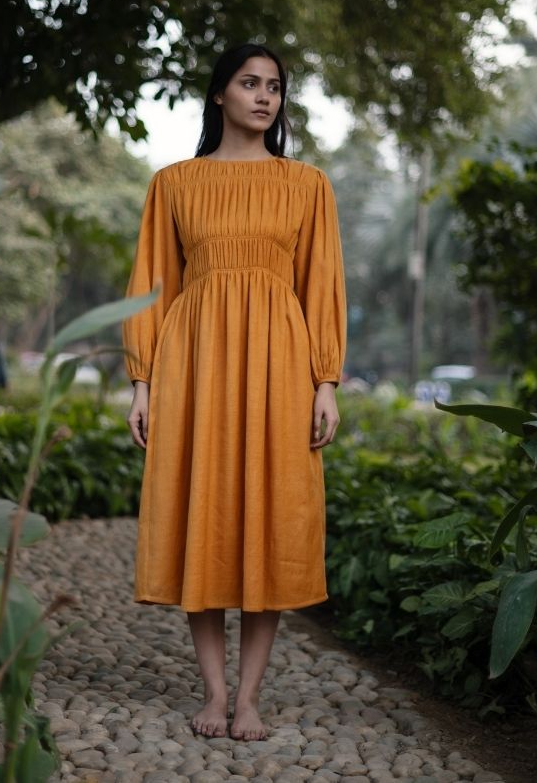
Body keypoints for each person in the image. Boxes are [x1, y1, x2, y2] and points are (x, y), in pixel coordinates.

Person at [123, 43, 347, 742]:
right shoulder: (174, 183)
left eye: (275, 87)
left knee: (271, 518)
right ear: (219, 93)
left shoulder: (307, 184)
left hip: (280, 366)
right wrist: (141, 383)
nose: (264, 97)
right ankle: (213, 694)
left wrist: (326, 382)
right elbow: (152, 283)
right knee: (203, 514)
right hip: (193, 368)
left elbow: (322, 285)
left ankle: (249, 698)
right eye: (249, 84)